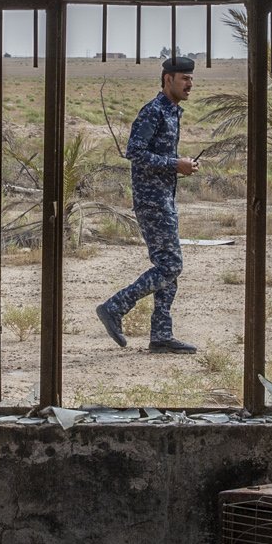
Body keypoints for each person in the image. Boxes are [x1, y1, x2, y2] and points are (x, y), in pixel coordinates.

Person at [97, 55, 200, 353]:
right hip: (152, 200)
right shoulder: (153, 111)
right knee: (171, 264)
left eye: (191, 79)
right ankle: (115, 306)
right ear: (168, 79)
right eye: (184, 78)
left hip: (163, 196)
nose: (190, 84)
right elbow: (135, 152)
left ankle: (161, 335)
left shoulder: (172, 112)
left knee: (168, 264)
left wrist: (181, 165)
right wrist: (174, 163)